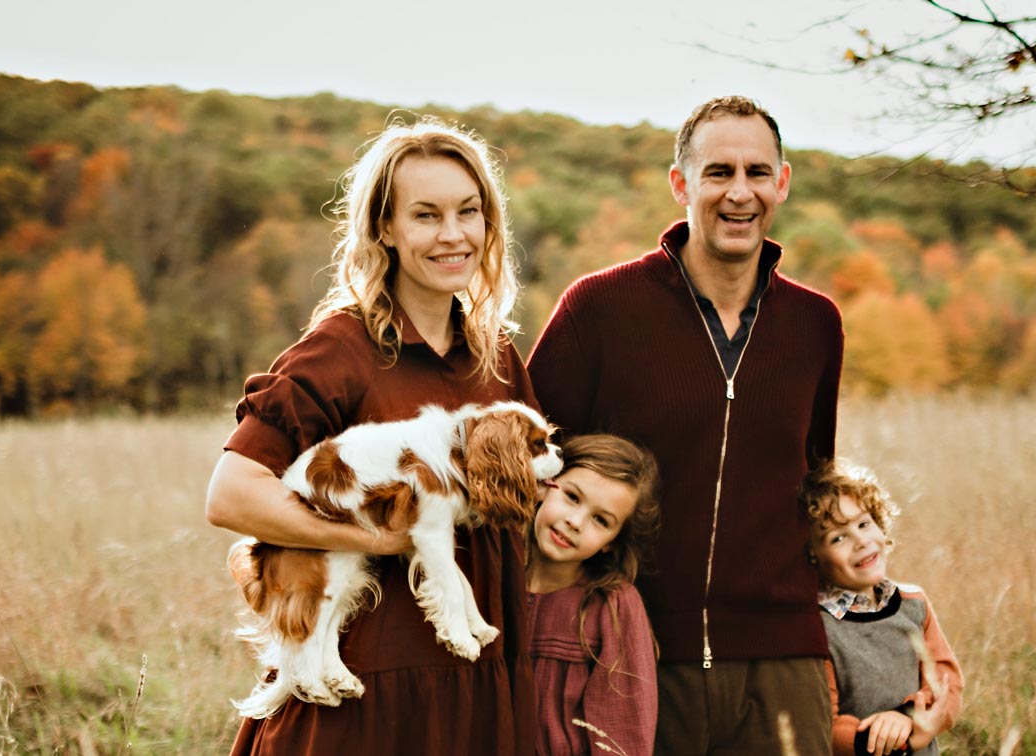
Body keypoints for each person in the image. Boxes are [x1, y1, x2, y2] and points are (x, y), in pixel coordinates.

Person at [205, 119, 537, 755]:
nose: (453, 234)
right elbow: (232, 497)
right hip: (367, 694)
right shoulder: (339, 350)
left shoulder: (496, 357)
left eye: (469, 212)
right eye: (426, 215)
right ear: (385, 228)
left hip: (482, 685)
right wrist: (379, 537)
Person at [530, 95, 844, 755]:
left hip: (783, 659)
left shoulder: (815, 325)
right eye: (718, 172)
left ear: (782, 182)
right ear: (681, 184)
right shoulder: (600, 308)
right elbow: (530, 464)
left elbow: (816, 477)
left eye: (757, 172)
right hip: (632, 653)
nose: (739, 193)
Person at [801, 461, 964, 756]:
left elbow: (947, 686)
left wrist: (908, 717)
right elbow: (825, 724)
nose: (861, 542)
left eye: (864, 524)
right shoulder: (818, 627)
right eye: (838, 538)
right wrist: (897, 743)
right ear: (813, 555)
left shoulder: (914, 604)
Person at [523, 433, 666, 756]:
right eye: (572, 497)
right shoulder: (487, 580)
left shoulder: (613, 606)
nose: (575, 522)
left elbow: (624, 736)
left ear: (611, 541)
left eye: (600, 520)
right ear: (545, 484)